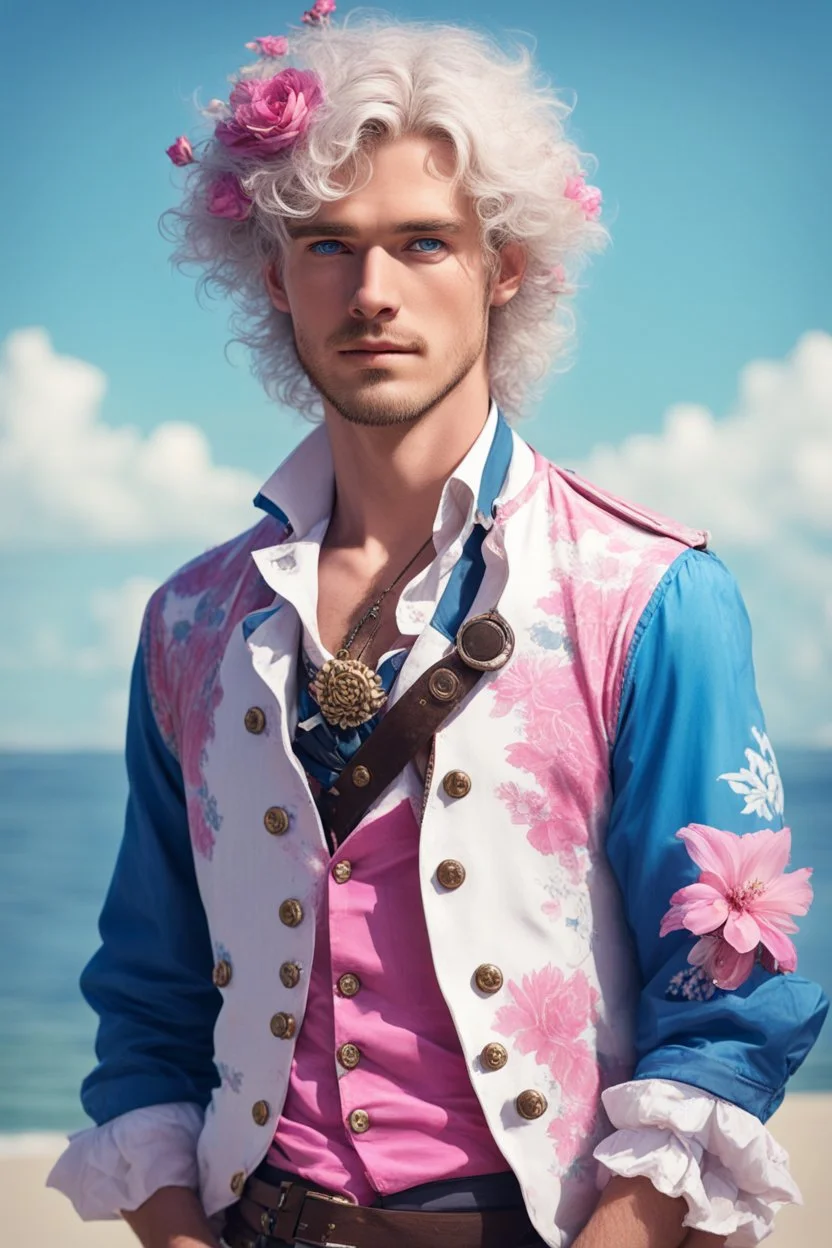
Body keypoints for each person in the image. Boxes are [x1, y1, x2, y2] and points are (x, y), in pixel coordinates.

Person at [47, 8, 826, 1248]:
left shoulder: (647, 591)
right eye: (327, 245)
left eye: (423, 242)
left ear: (502, 266)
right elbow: (150, 995)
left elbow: (726, 1015)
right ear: (272, 277)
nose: (372, 293)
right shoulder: (190, 620)